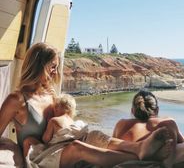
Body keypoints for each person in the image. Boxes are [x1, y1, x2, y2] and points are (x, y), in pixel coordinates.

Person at [0, 43, 172, 168]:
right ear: (37, 66)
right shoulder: (17, 100)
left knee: (95, 135)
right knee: (78, 148)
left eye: (56, 67)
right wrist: (13, 151)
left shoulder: (51, 94)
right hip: (39, 156)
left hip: (60, 146)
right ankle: (146, 161)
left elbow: (62, 125)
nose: (54, 72)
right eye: (52, 67)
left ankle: (139, 148)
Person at [113, 90, 184, 160]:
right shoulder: (168, 123)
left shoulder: (121, 124)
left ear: (132, 111)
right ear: (157, 110)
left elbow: (110, 148)